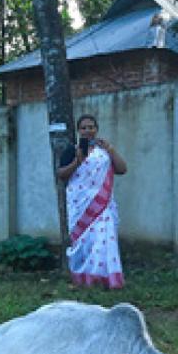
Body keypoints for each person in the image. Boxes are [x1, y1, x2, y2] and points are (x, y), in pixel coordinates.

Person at [56, 114, 128, 289]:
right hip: (80, 205)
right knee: (85, 241)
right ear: (78, 131)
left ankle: (108, 279)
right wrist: (77, 162)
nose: (88, 130)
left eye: (91, 127)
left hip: (103, 206)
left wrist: (111, 150)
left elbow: (122, 169)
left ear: (97, 129)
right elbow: (61, 175)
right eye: (84, 128)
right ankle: (85, 279)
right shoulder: (72, 150)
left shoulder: (104, 152)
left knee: (105, 239)